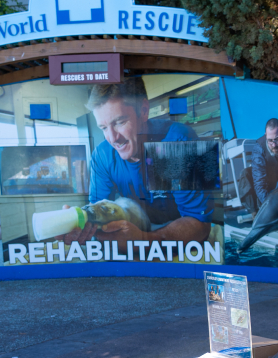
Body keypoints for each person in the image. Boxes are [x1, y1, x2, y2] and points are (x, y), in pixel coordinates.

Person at [60, 79, 213, 244]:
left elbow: (200, 224)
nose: (113, 139)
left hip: (177, 235)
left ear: (144, 110)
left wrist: (143, 241)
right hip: (135, 232)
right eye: (103, 128)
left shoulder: (177, 143)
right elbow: (98, 212)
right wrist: (78, 224)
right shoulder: (103, 155)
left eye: (120, 122)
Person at [237, 118, 278, 215]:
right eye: (270, 141)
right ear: (266, 136)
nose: (274, 145)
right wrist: (270, 208)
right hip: (266, 188)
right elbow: (259, 182)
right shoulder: (258, 149)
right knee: (245, 173)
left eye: (277, 139)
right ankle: (255, 214)